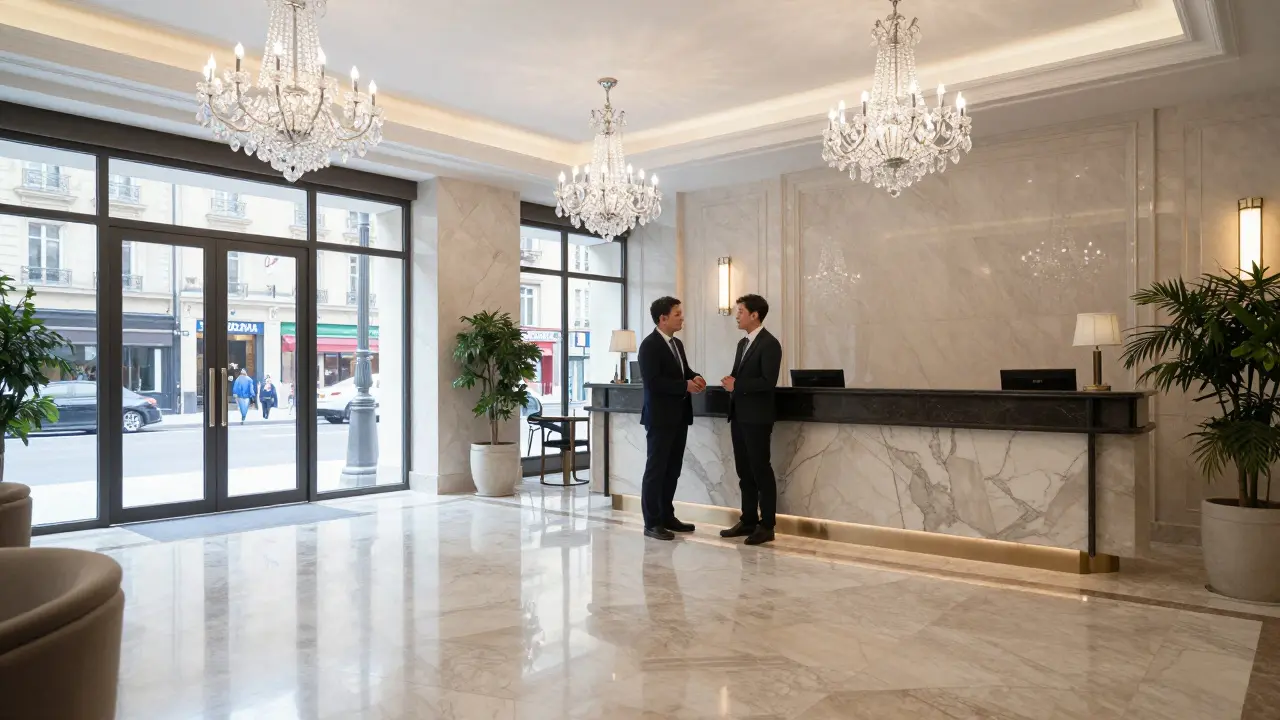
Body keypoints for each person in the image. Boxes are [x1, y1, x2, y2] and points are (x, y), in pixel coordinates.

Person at [637, 296, 705, 541]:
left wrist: (694, 377)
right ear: (663, 318)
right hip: (660, 417)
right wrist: (683, 386)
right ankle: (652, 522)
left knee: (672, 470)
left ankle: (667, 515)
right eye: (677, 314)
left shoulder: (677, 344)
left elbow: (683, 372)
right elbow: (653, 383)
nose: (682, 317)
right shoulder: (649, 346)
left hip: (679, 416)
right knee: (656, 470)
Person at [720, 294, 783, 546]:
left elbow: (768, 382)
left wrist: (738, 384)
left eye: (741, 311)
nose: (737, 315)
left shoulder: (770, 344)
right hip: (739, 416)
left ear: (755, 314)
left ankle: (767, 525)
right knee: (744, 471)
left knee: (760, 471)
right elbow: (739, 378)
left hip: (757, 418)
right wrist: (730, 382)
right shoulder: (742, 344)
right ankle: (747, 519)